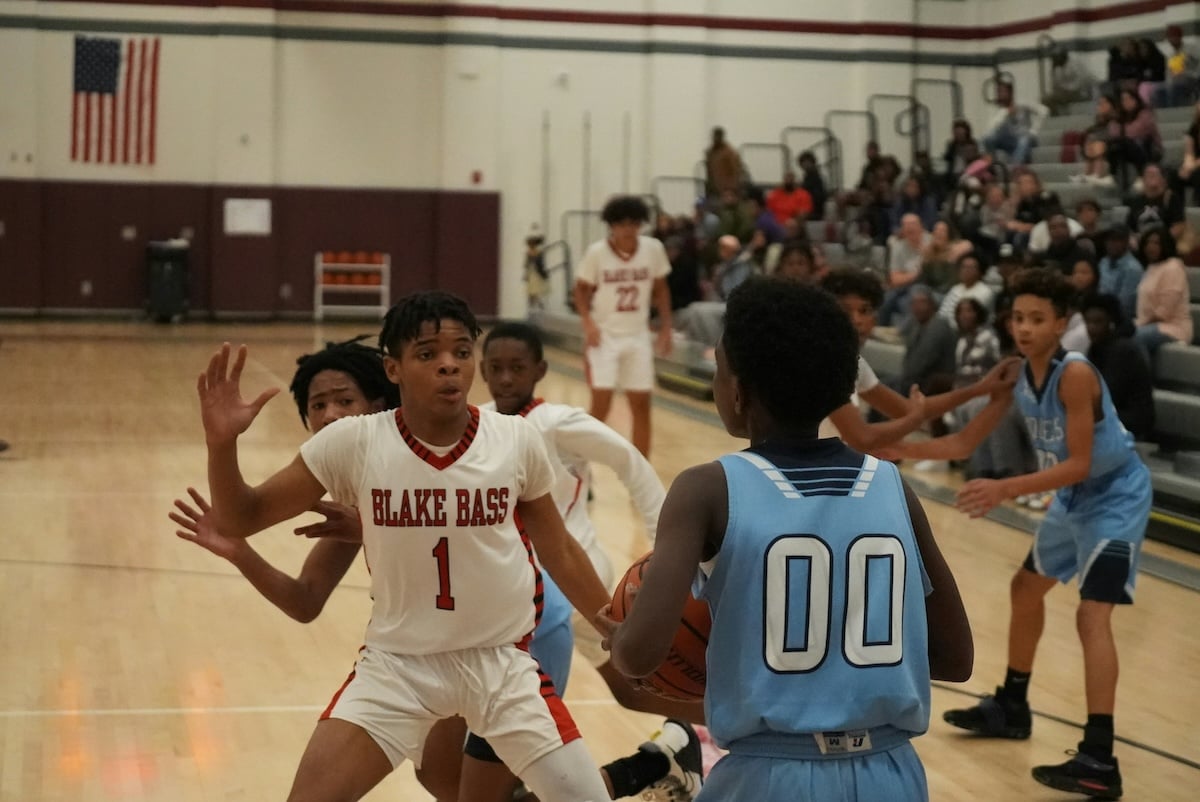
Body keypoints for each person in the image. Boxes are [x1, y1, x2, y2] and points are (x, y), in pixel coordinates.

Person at [196, 291, 614, 802]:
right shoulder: (353, 441)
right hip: (399, 666)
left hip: (500, 663)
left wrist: (613, 624)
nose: (448, 366)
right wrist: (222, 444)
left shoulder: (514, 439)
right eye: (427, 354)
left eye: (461, 352)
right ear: (393, 369)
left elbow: (561, 551)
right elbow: (242, 517)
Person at [604, 276, 974, 802]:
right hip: (891, 775)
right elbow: (956, 659)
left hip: (772, 778)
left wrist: (620, 639)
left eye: (718, 367)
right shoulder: (893, 486)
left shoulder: (706, 489)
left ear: (738, 389)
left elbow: (640, 655)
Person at [880, 268, 1152, 800]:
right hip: (1075, 499)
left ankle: (1100, 757)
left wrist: (1006, 489)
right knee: (1024, 589)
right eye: (1018, 318)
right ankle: (1013, 705)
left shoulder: (1075, 375)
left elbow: (1078, 463)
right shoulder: (1016, 372)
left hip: (1115, 498)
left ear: (1061, 323)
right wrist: (901, 450)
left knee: (1091, 615)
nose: (1025, 328)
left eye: (1037, 319)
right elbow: (964, 443)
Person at [479, 322, 709, 801]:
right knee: (629, 690)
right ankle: (682, 745)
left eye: (516, 368)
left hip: (572, 580)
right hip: (515, 589)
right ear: (481, 370)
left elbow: (630, 461)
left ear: (540, 370)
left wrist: (662, 544)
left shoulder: (557, 422)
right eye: (495, 368)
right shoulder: (476, 422)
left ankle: (731, 728)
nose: (505, 378)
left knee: (521, 705)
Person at [817, 267, 1017, 457]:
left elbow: (907, 409)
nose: (857, 320)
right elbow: (863, 438)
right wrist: (914, 420)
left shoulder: (853, 362)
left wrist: (979, 388)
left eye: (864, 310)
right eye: (845, 310)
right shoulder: (819, 361)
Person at [573, 195, 673, 457]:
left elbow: (661, 290)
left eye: (634, 223)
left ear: (641, 225)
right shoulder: (597, 253)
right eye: (622, 224)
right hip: (604, 337)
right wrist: (588, 324)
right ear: (611, 226)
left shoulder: (653, 249)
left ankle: (642, 473)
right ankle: (579, 467)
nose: (628, 229)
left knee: (641, 406)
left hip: (638, 336)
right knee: (600, 407)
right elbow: (580, 291)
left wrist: (665, 328)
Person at [1082, 293, 1156, 441]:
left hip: (1130, 418)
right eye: (1088, 322)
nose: (1091, 328)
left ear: (1111, 323)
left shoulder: (1123, 350)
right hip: (1109, 413)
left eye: (1098, 322)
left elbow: (1109, 393)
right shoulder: (1097, 347)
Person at [1133, 226, 1194, 359]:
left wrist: (1138, 325)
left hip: (1172, 328)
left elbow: (1164, 313)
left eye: (1156, 243)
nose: (1151, 246)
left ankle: (1142, 379)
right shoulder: (1151, 267)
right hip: (1148, 325)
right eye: (1148, 242)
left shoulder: (1173, 267)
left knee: (1135, 337)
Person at [982, 80, 1047, 166]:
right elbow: (991, 128)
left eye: (1002, 91)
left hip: (1026, 137)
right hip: (1009, 140)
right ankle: (991, 166)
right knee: (987, 138)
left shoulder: (1022, 103)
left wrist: (1033, 130)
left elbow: (1044, 111)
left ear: (1010, 92)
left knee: (1023, 140)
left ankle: (1015, 168)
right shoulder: (999, 111)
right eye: (998, 92)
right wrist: (1006, 113)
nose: (1000, 94)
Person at [1096, 224, 1144, 322]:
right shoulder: (1103, 262)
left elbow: (1124, 306)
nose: (1111, 244)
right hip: (1099, 313)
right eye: (1109, 240)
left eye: (1116, 240)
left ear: (1126, 242)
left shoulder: (1133, 269)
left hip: (1122, 320)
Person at [939, 253, 996, 325]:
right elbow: (942, 313)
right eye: (964, 267)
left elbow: (970, 320)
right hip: (947, 329)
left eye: (970, 267)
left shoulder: (985, 292)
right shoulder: (955, 289)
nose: (966, 270)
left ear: (979, 272)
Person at [1042, 47, 1095, 115]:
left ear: (1062, 56)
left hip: (1080, 93)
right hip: (1067, 94)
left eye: (1055, 58)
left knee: (1051, 99)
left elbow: (1080, 82)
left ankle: (1061, 117)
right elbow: (1054, 87)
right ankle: (1057, 117)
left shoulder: (1074, 65)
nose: (1054, 60)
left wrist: (1065, 88)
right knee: (1046, 100)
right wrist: (1053, 71)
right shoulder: (1058, 68)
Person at [705, 127, 743, 197]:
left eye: (718, 136)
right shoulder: (710, 152)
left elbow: (735, 170)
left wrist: (732, 188)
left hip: (727, 190)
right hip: (714, 189)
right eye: (715, 136)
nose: (716, 138)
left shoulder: (729, 153)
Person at [795, 151, 827, 221]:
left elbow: (818, 197)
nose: (805, 165)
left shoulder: (817, 178)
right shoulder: (806, 178)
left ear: (812, 163)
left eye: (807, 162)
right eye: (803, 163)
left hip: (814, 211)